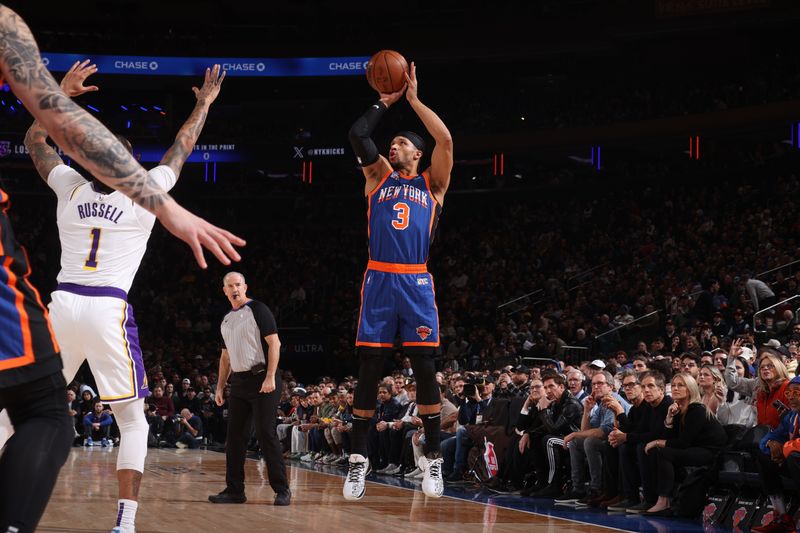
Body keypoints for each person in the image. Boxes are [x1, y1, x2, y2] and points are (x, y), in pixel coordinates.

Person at [0, 7, 241, 532]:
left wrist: (58, 95)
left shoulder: (69, 187)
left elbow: (34, 143)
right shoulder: (144, 198)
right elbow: (182, 148)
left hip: (59, 305)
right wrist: (202, 105)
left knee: (16, 410)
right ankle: (126, 522)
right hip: (107, 307)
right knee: (132, 418)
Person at [344, 61, 453, 500]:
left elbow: (445, 138)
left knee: (425, 368)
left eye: (402, 142)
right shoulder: (377, 178)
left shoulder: (434, 185)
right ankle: (358, 459)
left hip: (416, 282)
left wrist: (413, 100)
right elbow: (357, 135)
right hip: (379, 278)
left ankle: (434, 457)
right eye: (392, 141)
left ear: (418, 154)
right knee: (369, 367)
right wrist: (384, 102)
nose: (394, 146)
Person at [208, 272, 291, 506]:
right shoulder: (226, 320)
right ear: (224, 290)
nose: (234, 288)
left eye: (238, 284)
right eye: (229, 285)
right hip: (240, 384)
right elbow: (225, 358)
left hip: (263, 379)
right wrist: (219, 387)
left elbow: (274, 343)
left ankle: (282, 489)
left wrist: (271, 376)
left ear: (245, 287)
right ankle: (235, 490)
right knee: (234, 439)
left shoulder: (258, 309)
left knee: (266, 434)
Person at [642, 373, 727, 516]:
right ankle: (655, 498)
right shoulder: (679, 410)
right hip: (694, 449)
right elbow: (671, 439)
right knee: (659, 451)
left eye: (680, 385)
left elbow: (682, 443)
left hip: (710, 452)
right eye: (673, 385)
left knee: (663, 452)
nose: (675, 388)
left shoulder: (696, 409)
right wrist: (669, 418)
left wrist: (657, 442)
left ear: (690, 389)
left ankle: (664, 500)